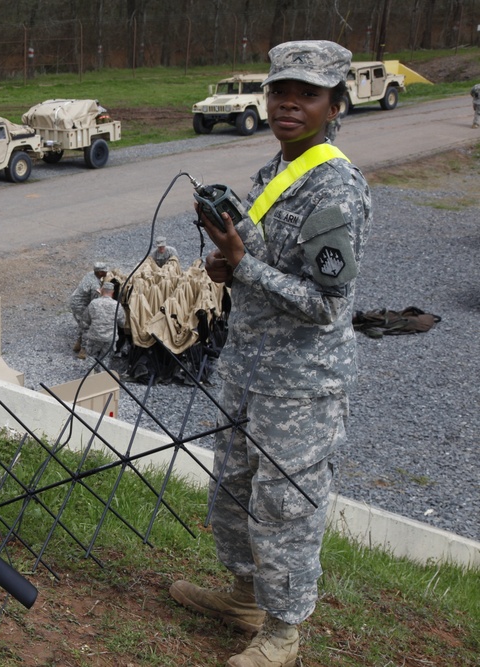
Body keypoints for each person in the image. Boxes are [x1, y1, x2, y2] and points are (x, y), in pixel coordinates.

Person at [170, 41, 371, 667]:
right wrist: (232, 262)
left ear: (335, 106)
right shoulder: (276, 169)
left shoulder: (334, 188)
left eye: (308, 95)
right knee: (233, 488)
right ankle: (243, 598)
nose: (289, 103)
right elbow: (262, 261)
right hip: (249, 365)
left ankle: (284, 632)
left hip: (301, 382)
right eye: (280, 91)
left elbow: (326, 305)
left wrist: (240, 266)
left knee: (286, 503)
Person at [68, 261, 108, 358]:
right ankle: (83, 351)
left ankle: (77, 345)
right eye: (104, 271)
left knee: (82, 324)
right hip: (80, 305)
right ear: (99, 273)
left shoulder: (91, 274)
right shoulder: (95, 286)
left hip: (75, 301)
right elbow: (94, 303)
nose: (106, 273)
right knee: (87, 327)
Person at [81, 282, 125, 362]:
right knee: (105, 360)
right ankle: (101, 372)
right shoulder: (117, 305)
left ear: (101, 291)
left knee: (91, 359)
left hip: (94, 337)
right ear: (112, 292)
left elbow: (85, 321)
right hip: (110, 339)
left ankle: (91, 373)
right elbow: (122, 323)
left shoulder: (93, 303)